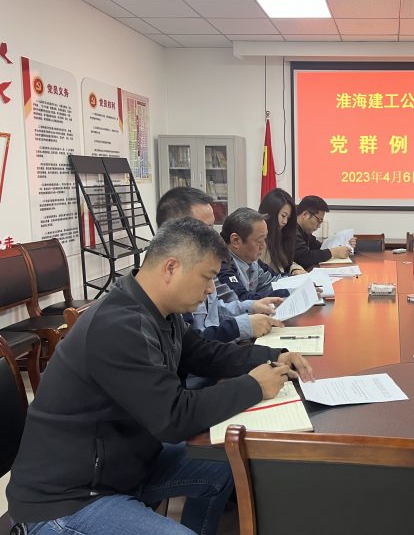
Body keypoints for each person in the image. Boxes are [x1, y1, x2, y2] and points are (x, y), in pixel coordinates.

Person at [7, 217, 313, 535]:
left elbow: (206, 354)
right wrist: (254, 386)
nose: (211, 289)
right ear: (171, 268)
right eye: (207, 277)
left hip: (125, 466)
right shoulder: (118, 325)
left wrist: (273, 356)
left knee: (227, 467)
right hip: (68, 498)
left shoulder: (160, 313)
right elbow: (174, 417)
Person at [156, 187, 282, 342]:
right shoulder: (173, 282)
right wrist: (240, 327)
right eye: (205, 228)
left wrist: (251, 306)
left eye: (212, 227)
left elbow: (214, 311)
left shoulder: (200, 264)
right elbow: (193, 345)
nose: (214, 236)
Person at [218, 207, 290, 301]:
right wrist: (289, 291)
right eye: (259, 241)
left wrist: (302, 282)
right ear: (236, 240)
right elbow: (242, 300)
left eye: (265, 239)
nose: (264, 246)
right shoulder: (221, 264)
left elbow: (275, 280)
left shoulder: (251, 261)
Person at [294, 195, 355, 270]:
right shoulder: (291, 230)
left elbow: (318, 247)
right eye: (319, 221)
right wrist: (333, 252)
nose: (319, 226)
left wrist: (345, 244)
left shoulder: (304, 230)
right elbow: (304, 257)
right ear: (305, 215)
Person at [258, 188, 306, 276]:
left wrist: (295, 269)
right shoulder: (257, 238)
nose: (285, 222)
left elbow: (285, 262)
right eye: (283, 216)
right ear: (270, 212)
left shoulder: (279, 234)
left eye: (288, 218)